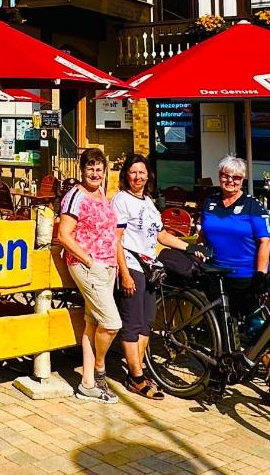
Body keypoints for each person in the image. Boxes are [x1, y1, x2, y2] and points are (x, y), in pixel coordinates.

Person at [113, 154, 198, 400]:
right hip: (132, 265)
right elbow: (116, 241)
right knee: (132, 322)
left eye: (142, 172)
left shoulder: (149, 202)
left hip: (151, 266)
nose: (138, 177)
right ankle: (137, 377)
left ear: (148, 175)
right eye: (133, 172)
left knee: (147, 322)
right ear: (126, 175)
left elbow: (161, 236)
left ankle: (135, 372)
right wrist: (125, 273)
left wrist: (189, 247)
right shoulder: (121, 200)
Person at [57, 148, 121, 404]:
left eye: (99, 169)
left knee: (92, 324)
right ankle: (100, 369)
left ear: (105, 172)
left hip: (108, 266)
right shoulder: (75, 196)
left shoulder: (102, 193)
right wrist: (89, 261)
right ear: (81, 170)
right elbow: (64, 234)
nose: (95, 173)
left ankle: (86, 385)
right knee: (112, 323)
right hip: (88, 266)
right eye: (90, 168)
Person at [199, 156, 270, 320]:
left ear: (242, 179)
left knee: (247, 327)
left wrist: (261, 274)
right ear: (219, 176)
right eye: (225, 176)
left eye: (236, 177)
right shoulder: (209, 202)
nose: (230, 181)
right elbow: (203, 235)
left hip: (245, 275)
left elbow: (265, 241)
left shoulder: (253, 205)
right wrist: (200, 248)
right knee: (219, 323)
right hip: (215, 274)